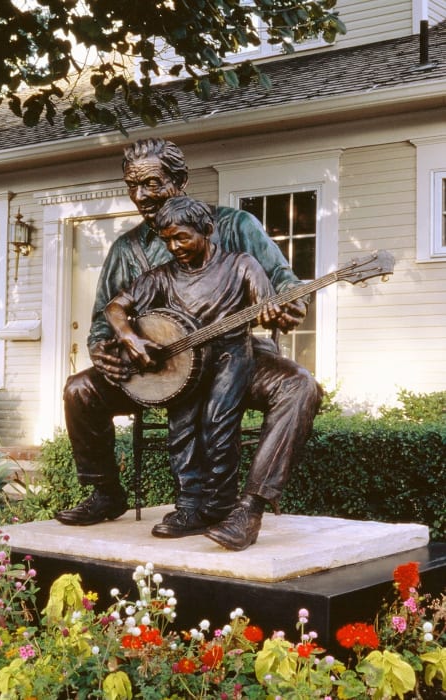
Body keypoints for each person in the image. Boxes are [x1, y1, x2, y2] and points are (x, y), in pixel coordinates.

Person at [57, 137, 322, 551]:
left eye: (152, 183)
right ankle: (106, 493)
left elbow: (287, 285)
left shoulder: (236, 227)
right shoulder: (126, 250)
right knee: (80, 389)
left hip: (234, 356)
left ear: (179, 181)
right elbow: (102, 321)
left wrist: (288, 306)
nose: (141, 195)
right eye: (133, 185)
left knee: (300, 384)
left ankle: (248, 507)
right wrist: (105, 349)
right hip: (157, 367)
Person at [105, 196, 279, 543]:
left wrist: (271, 311)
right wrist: (131, 339)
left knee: (217, 421)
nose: (174, 247)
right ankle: (188, 506)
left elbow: (266, 302)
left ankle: (219, 506)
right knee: (181, 427)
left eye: (182, 237)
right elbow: (115, 308)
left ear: (207, 230)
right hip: (181, 365)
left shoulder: (242, 265)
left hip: (230, 353)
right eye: (167, 240)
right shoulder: (162, 277)